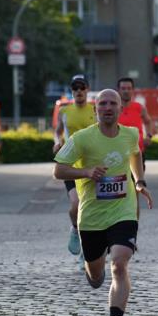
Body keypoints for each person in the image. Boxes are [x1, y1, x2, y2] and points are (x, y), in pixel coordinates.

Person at [53, 88, 153, 316]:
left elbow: (135, 154)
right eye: (103, 104)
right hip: (92, 217)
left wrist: (139, 181)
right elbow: (58, 170)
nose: (108, 107)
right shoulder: (82, 138)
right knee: (96, 278)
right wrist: (86, 172)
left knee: (119, 264)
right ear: (95, 109)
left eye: (113, 103)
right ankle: (93, 271)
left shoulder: (131, 134)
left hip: (123, 211)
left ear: (120, 108)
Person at [53, 74, 97, 257]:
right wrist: (57, 143)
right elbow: (57, 132)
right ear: (71, 91)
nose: (79, 91)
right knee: (76, 204)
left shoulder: (95, 109)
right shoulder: (64, 111)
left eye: (82, 87)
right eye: (75, 88)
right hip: (71, 165)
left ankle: (88, 252)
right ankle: (74, 228)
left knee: (91, 208)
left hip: (91, 164)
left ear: (87, 89)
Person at [117, 76, 153, 168]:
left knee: (138, 177)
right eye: (123, 88)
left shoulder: (139, 107)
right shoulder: (113, 109)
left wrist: (149, 136)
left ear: (133, 90)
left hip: (137, 153)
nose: (126, 91)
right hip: (118, 154)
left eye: (129, 88)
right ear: (118, 90)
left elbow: (148, 122)